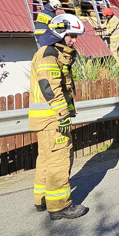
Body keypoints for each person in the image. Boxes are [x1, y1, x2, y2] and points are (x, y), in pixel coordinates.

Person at [29, 14, 89, 220]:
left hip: (46, 118)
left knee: (46, 158)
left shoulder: (48, 52)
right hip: (54, 117)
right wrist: (63, 115)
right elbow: (50, 87)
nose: (74, 40)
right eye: (71, 35)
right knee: (60, 159)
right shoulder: (49, 54)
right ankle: (60, 206)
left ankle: (42, 199)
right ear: (60, 32)